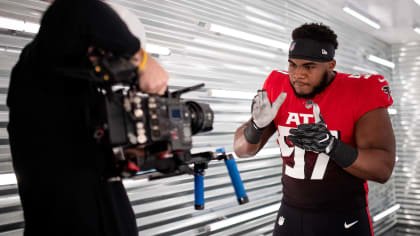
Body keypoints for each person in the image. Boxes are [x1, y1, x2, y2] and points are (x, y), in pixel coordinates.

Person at [6, 0, 168, 235]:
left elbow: (77, 153)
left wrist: (130, 152)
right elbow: (75, 9)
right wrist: (141, 59)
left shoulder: (74, 96)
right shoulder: (42, 59)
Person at [233, 23, 395, 236]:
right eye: (292, 65)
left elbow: (382, 169)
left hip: (344, 218)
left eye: (309, 66)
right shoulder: (279, 87)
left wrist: (331, 146)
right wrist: (256, 126)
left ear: (330, 64)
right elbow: (242, 150)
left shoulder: (359, 91)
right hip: (290, 214)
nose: (298, 74)